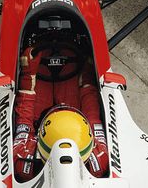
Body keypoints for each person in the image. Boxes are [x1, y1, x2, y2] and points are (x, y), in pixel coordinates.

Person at [13, 43, 109, 182]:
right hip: (75, 107)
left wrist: (29, 75)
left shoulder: (23, 162)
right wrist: (87, 74)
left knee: (33, 59)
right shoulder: (100, 161)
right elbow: (92, 115)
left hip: (39, 117)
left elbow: (24, 119)